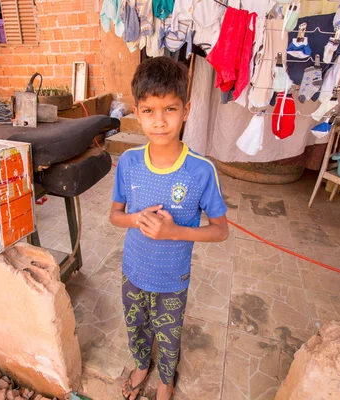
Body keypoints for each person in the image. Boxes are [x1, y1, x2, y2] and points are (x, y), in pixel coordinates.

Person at [109, 56, 229, 400]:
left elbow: (220, 230)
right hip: (132, 270)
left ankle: (165, 380)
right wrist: (135, 220)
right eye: (148, 111)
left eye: (170, 109)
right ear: (137, 111)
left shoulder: (200, 171)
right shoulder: (129, 163)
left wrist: (175, 231)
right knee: (136, 325)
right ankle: (141, 365)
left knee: (169, 333)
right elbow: (115, 215)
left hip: (171, 279)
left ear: (186, 109)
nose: (159, 122)